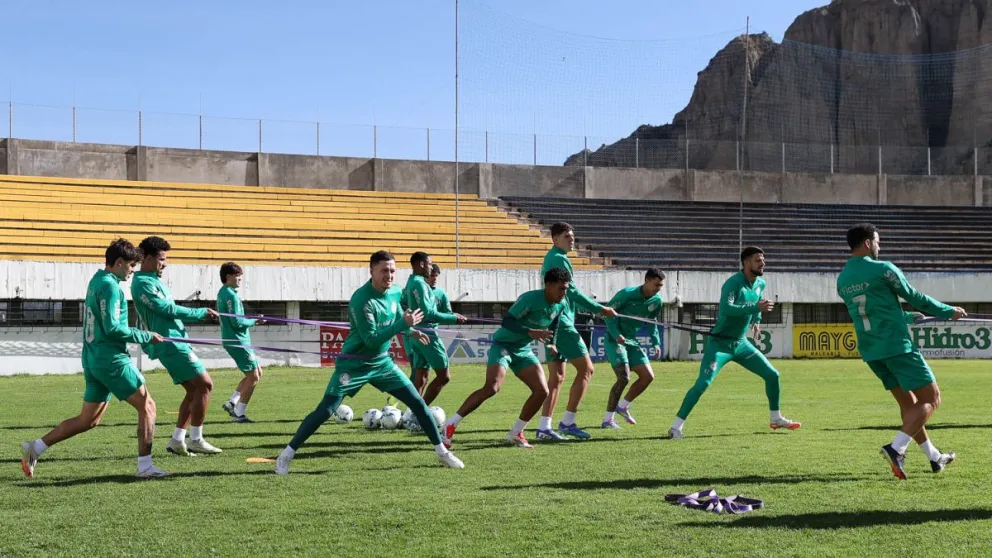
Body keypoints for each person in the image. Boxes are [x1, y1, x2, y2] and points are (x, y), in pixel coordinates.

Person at [275, 251, 465, 474]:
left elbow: (395, 318)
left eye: (392, 270)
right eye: (384, 270)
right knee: (326, 410)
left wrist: (410, 331)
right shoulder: (361, 299)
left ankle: (442, 452)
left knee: (418, 403)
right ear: (371, 271)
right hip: (354, 364)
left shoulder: (394, 292)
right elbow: (371, 339)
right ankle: (286, 455)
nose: (389, 275)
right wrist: (403, 324)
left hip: (382, 363)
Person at [21, 239, 169, 478]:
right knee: (148, 407)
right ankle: (145, 467)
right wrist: (145, 335)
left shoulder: (96, 280)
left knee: (87, 420)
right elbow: (112, 328)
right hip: (111, 360)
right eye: (131, 266)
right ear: (119, 263)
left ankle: (35, 447)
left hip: (93, 360)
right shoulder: (111, 287)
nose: (132, 270)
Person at [837, 223, 963, 479]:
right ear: (868, 243)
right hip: (896, 345)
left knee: (910, 406)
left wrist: (905, 316)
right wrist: (948, 311)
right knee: (932, 399)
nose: (880, 246)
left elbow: (870, 308)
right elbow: (913, 295)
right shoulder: (883, 268)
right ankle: (896, 449)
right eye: (878, 241)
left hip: (871, 350)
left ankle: (934, 457)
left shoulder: (843, 278)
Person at [668, 247, 801, 439]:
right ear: (746, 263)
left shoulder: (760, 283)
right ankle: (675, 427)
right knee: (703, 384)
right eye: (757, 260)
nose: (762, 263)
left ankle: (775, 418)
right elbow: (727, 309)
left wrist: (756, 321)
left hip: (740, 344)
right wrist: (756, 307)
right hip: (720, 345)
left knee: (773, 375)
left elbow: (757, 303)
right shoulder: (732, 283)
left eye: (763, 260)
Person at [441, 267, 571, 449]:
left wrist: (552, 342)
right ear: (548, 285)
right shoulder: (530, 298)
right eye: (561, 288)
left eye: (566, 288)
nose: (564, 293)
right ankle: (450, 424)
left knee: (542, 391)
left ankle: (516, 433)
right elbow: (507, 321)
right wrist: (529, 332)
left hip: (523, 349)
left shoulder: (561, 304)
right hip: (503, 345)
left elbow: (555, 321)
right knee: (492, 388)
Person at [132, 236, 222, 456]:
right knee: (205, 385)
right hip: (169, 343)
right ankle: (196, 438)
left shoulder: (155, 280)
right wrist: (200, 313)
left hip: (177, 340)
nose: (165, 264)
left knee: (193, 391)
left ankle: (177, 440)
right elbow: (167, 310)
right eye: (162, 259)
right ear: (147, 258)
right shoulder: (142, 283)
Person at [538, 222, 617, 441]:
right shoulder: (559, 258)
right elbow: (571, 293)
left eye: (572, 236)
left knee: (557, 377)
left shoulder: (553, 257)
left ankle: (545, 427)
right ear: (555, 239)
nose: (571, 239)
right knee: (587, 369)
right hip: (562, 323)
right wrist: (599, 309)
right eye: (566, 236)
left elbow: (569, 294)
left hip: (553, 320)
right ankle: (568, 422)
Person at [601, 268, 665, 429]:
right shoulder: (626, 294)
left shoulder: (657, 301)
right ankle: (608, 419)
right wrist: (616, 334)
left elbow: (652, 322)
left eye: (661, 286)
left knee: (647, 376)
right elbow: (606, 314)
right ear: (647, 280)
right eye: (656, 285)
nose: (658, 289)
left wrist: (656, 342)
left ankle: (623, 406)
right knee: (624, 377)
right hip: (615, 340)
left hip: (631, 341)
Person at [402, 253, 466, 405]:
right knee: (444, 377)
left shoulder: (412, 281)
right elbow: (429, 313)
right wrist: (453, 318)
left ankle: (411, 413)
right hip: (428, 334)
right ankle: (420, 414)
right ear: (422, 264)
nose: (431, 268)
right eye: (429, 264)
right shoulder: (420, 284)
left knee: (421, 376)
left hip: (417, 333)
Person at [218, 262, 265, 423]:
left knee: (256, 372)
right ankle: (238, 412)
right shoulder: (230, 295)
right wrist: (254, 321)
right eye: (237, 276)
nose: (240, 279)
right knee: (254, 376)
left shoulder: (224, 292)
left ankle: (232, 402)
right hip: (238, 340)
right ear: (228, 277)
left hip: (236, 340)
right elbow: (237, 323)